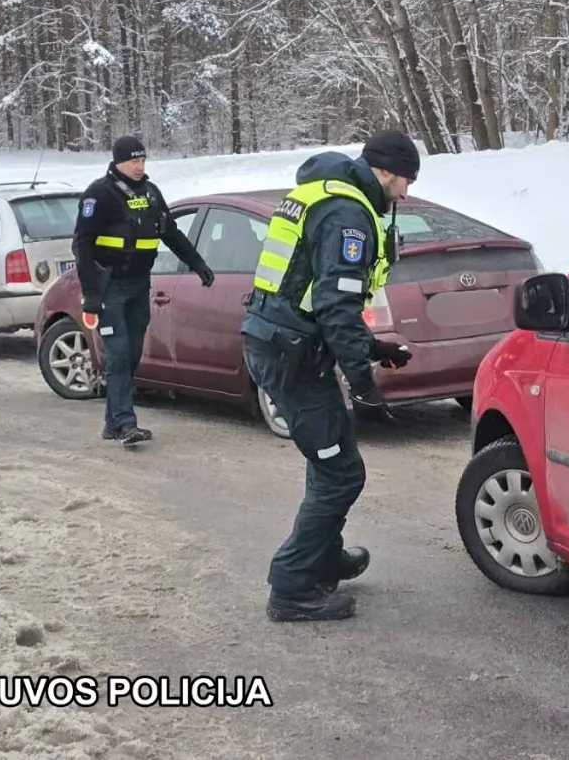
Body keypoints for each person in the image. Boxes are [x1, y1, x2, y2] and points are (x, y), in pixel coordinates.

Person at [241, 130, 421, 622]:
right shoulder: (349, 216)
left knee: (330, 459)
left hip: (285, 342)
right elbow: (336, 308)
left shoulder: (321, 194)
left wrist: (376, 347)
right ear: (385, 171)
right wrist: (364, 387)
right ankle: (292, 585)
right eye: (404, 181)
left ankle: (324, 556)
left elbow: (309, 295)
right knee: (342, 473)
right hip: (290, 355)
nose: (404, 194)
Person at [73, 136, 215, 446]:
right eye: (133, 161)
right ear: (118, 162)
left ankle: (112, 422)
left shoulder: (151, 193)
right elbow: (82, 246)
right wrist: (91, 293)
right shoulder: (99, 194)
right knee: (119, 353)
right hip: (109, 285)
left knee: (132, 353)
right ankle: (126, 424)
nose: (139, 166)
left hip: (139, 284)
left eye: (143, 160)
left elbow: (171, 233)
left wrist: (197, 263)